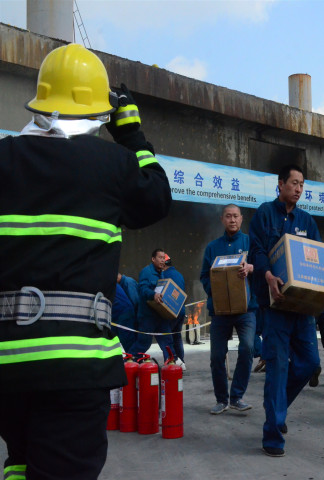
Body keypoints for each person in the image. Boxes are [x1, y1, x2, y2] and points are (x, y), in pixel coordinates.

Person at [0, 44, 171, 479]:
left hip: (9, 367)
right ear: (99, 113)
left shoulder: (4, 159)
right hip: (74, 369)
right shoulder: (112, 165)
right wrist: (131, 133)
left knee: (21, 462)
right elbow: (156, 196)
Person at [249, 164, 323, 457]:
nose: (298, 188)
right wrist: (267, 275)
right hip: (276, 307)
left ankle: (277, 411)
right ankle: (273, 437)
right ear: (280, 184)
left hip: (303, 309)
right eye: (294, 182)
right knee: (277, 370)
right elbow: (256, 251)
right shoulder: (264, 214)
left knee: (308, 363)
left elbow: (318, 259)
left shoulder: (308, 221)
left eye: (302, 184)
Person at [200, 204, 257, 415]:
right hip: (220, 311)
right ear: (222, 220)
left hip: (246, 310)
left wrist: (251, 268)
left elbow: (263, 267)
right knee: (216, 357)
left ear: (241, 219)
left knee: (248, 348)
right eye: (228, 216)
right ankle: (221, 399)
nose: (232, 220)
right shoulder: (213, 247)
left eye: (235, 216)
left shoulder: (251, 243)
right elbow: (204, 276)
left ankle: (237, 396)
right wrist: (214, 288)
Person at [128, 249, 176, 362]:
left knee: (168, 342)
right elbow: (143, 289)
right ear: (153, 259)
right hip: (147, 316)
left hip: (160, 315)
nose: (162, 260)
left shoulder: (162, 273)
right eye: (160, 257)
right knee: (143, 343)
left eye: (164, 258)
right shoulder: (146, 272)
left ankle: (170, 367)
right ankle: (129, 363)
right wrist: (153, 295)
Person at [163, 254, 187, 370]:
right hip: (181, 310)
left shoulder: (163, 275)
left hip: (170, 312)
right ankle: (182, 363)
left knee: (167, 338)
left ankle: (172, 363)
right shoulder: (179, 275)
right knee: (177, 337)